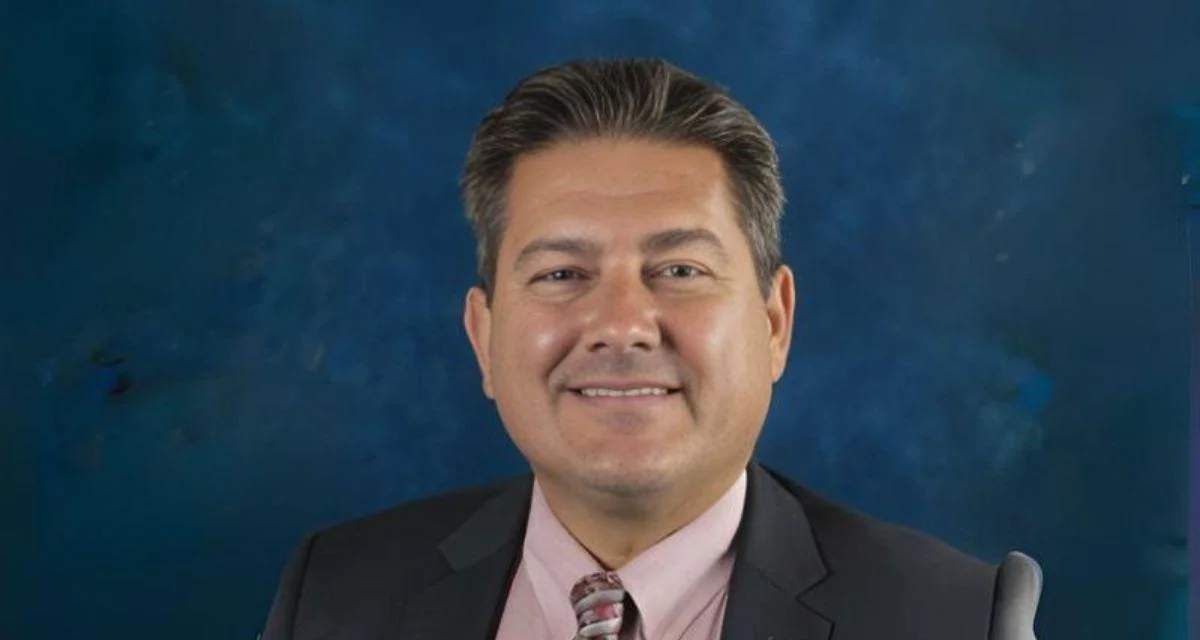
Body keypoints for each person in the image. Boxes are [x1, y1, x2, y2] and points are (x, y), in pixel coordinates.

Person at [260, 58, 1041, 640]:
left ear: (775, 322)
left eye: (679, 270)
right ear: (483, 336)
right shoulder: (336, 596)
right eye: (562, 274)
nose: (623, 324)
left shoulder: (951, 620)